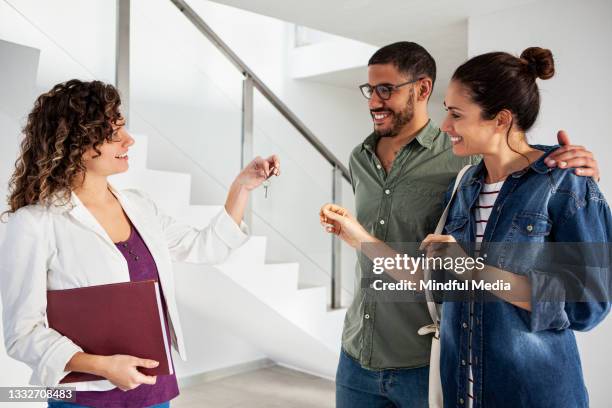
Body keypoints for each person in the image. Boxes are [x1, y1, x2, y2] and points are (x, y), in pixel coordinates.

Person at [321, 47, 610, 408]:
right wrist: (359, 238)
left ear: (501, 120)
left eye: (456, 115)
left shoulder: (564, 183)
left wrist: (469, 267)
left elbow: (588, 305)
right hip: (462, 388)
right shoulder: (466, 184)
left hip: (530, 393)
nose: (445, 126)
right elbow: (437, 283)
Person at [0, 79, 280, 408]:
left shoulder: (139, 206)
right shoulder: (35, 223)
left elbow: (206, 246)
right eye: (113, 133)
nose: (129, 140)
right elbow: (22, 333)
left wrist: (241, 189)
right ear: (76, 142)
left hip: (153, 387)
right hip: (87, 398)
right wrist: (103, 366)